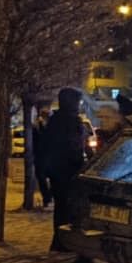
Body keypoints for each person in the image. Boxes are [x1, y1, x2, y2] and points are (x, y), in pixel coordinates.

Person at [43, 88, 89, 250]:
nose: (79, 105)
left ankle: (61, 241)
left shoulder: (56, 121)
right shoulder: (68, 121)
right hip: (66, 170)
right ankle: (63, 242)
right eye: (77, 101)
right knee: (67, 208)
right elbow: (72, 146)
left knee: (62, 207)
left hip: (59, 170)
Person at [32, 108, 53, 209]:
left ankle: (48, 197)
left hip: (49, 156)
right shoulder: (36, 126)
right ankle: (47, 198)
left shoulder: (52, 126)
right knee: (41, 178)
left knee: (51, 178)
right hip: (40, 156)